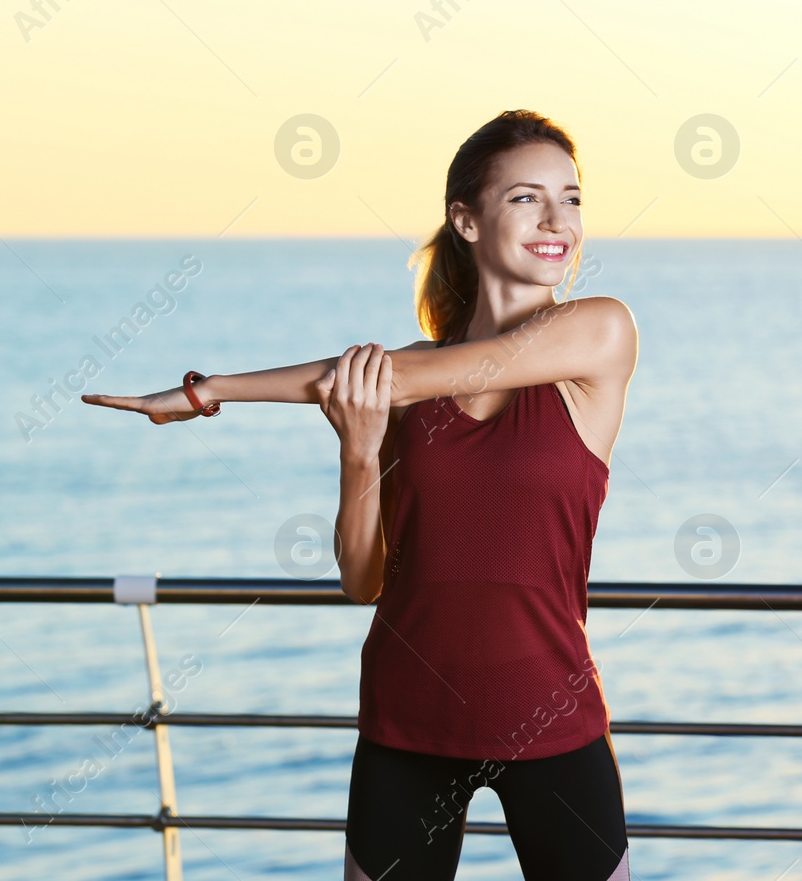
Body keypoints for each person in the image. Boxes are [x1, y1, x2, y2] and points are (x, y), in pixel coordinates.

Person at [84, 109, 638, 880]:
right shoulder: (395, 387)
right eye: (525, 198)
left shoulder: (599, 334)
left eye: (571, 198)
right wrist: (357, 448)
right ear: (466, 220)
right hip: (406, 721)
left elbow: (423, 374)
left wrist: (211, 390)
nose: (557, 220)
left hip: (550, 721)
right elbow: (363, 580)